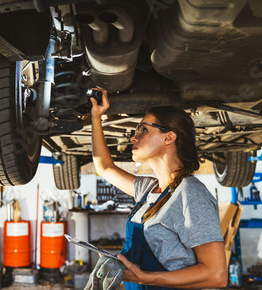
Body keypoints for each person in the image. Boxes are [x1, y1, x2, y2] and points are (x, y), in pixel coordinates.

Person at [86, 89, 227, 290]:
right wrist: (96, 117)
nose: (133, 138)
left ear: (168, 138)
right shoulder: (149, 189)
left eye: (143, 130)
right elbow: (104, 167)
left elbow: (216, 275)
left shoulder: (190, 192)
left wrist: (144, 278)